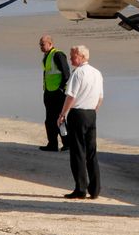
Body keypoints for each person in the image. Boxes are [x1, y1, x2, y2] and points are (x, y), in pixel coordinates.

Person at [57, 45, 104, 200]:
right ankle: (95, 189)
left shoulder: (78, 73)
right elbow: (100, 98)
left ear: (81, 56)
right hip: (91, 114)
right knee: (91, 152)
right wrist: (93, 111)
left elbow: (71, 96)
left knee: (78, 152)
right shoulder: (97, 73)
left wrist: (63, 113)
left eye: (73, 56)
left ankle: (81, 188)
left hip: (78, 113)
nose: (70, 59)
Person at [38, 34, 71, 152]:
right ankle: (52, 144)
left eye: (43, 44)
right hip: (48, 92)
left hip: (58, 93)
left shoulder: (58, 54)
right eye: (40, 45)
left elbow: (66, 73)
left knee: (60, 119)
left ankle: (67, 143)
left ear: (50, 43)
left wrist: (61, 88)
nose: (41, 47)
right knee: (49, 120)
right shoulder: (46, 56)